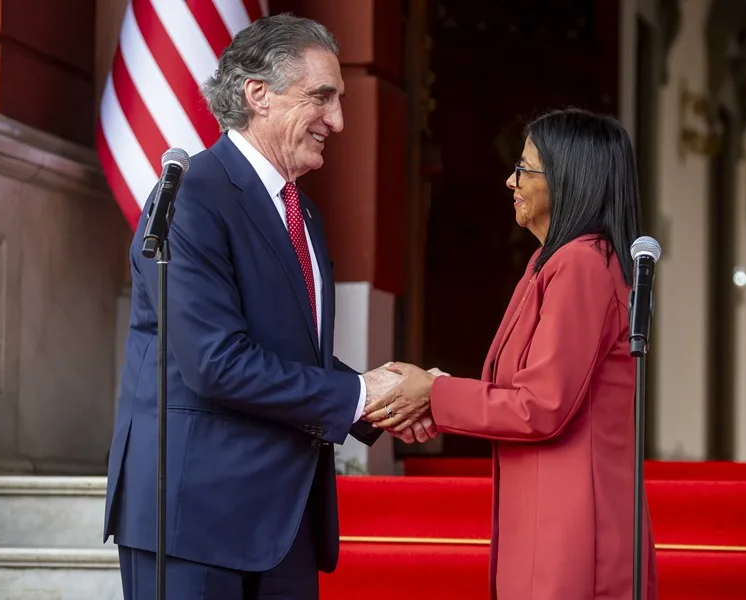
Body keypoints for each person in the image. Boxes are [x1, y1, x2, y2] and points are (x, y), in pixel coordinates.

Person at [103, 14, 422, 600]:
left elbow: (285, 351)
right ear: (259, 94)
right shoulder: (192, 196)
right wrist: (361, 394)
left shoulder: (301, 211)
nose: (337, 120)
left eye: (340, 100)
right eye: (321, 97)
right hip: (193, 519)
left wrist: (385, 403)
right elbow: (216, 362)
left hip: (282, 521)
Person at [365, 108, 658, 599]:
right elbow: (518, 393)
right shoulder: (552, 261)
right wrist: (432, 396)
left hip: (574, 523)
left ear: (567, 179)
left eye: (523, 168)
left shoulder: (581, 264)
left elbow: (539, 406)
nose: (510, 181)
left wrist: (435, 394)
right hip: (548, 510)